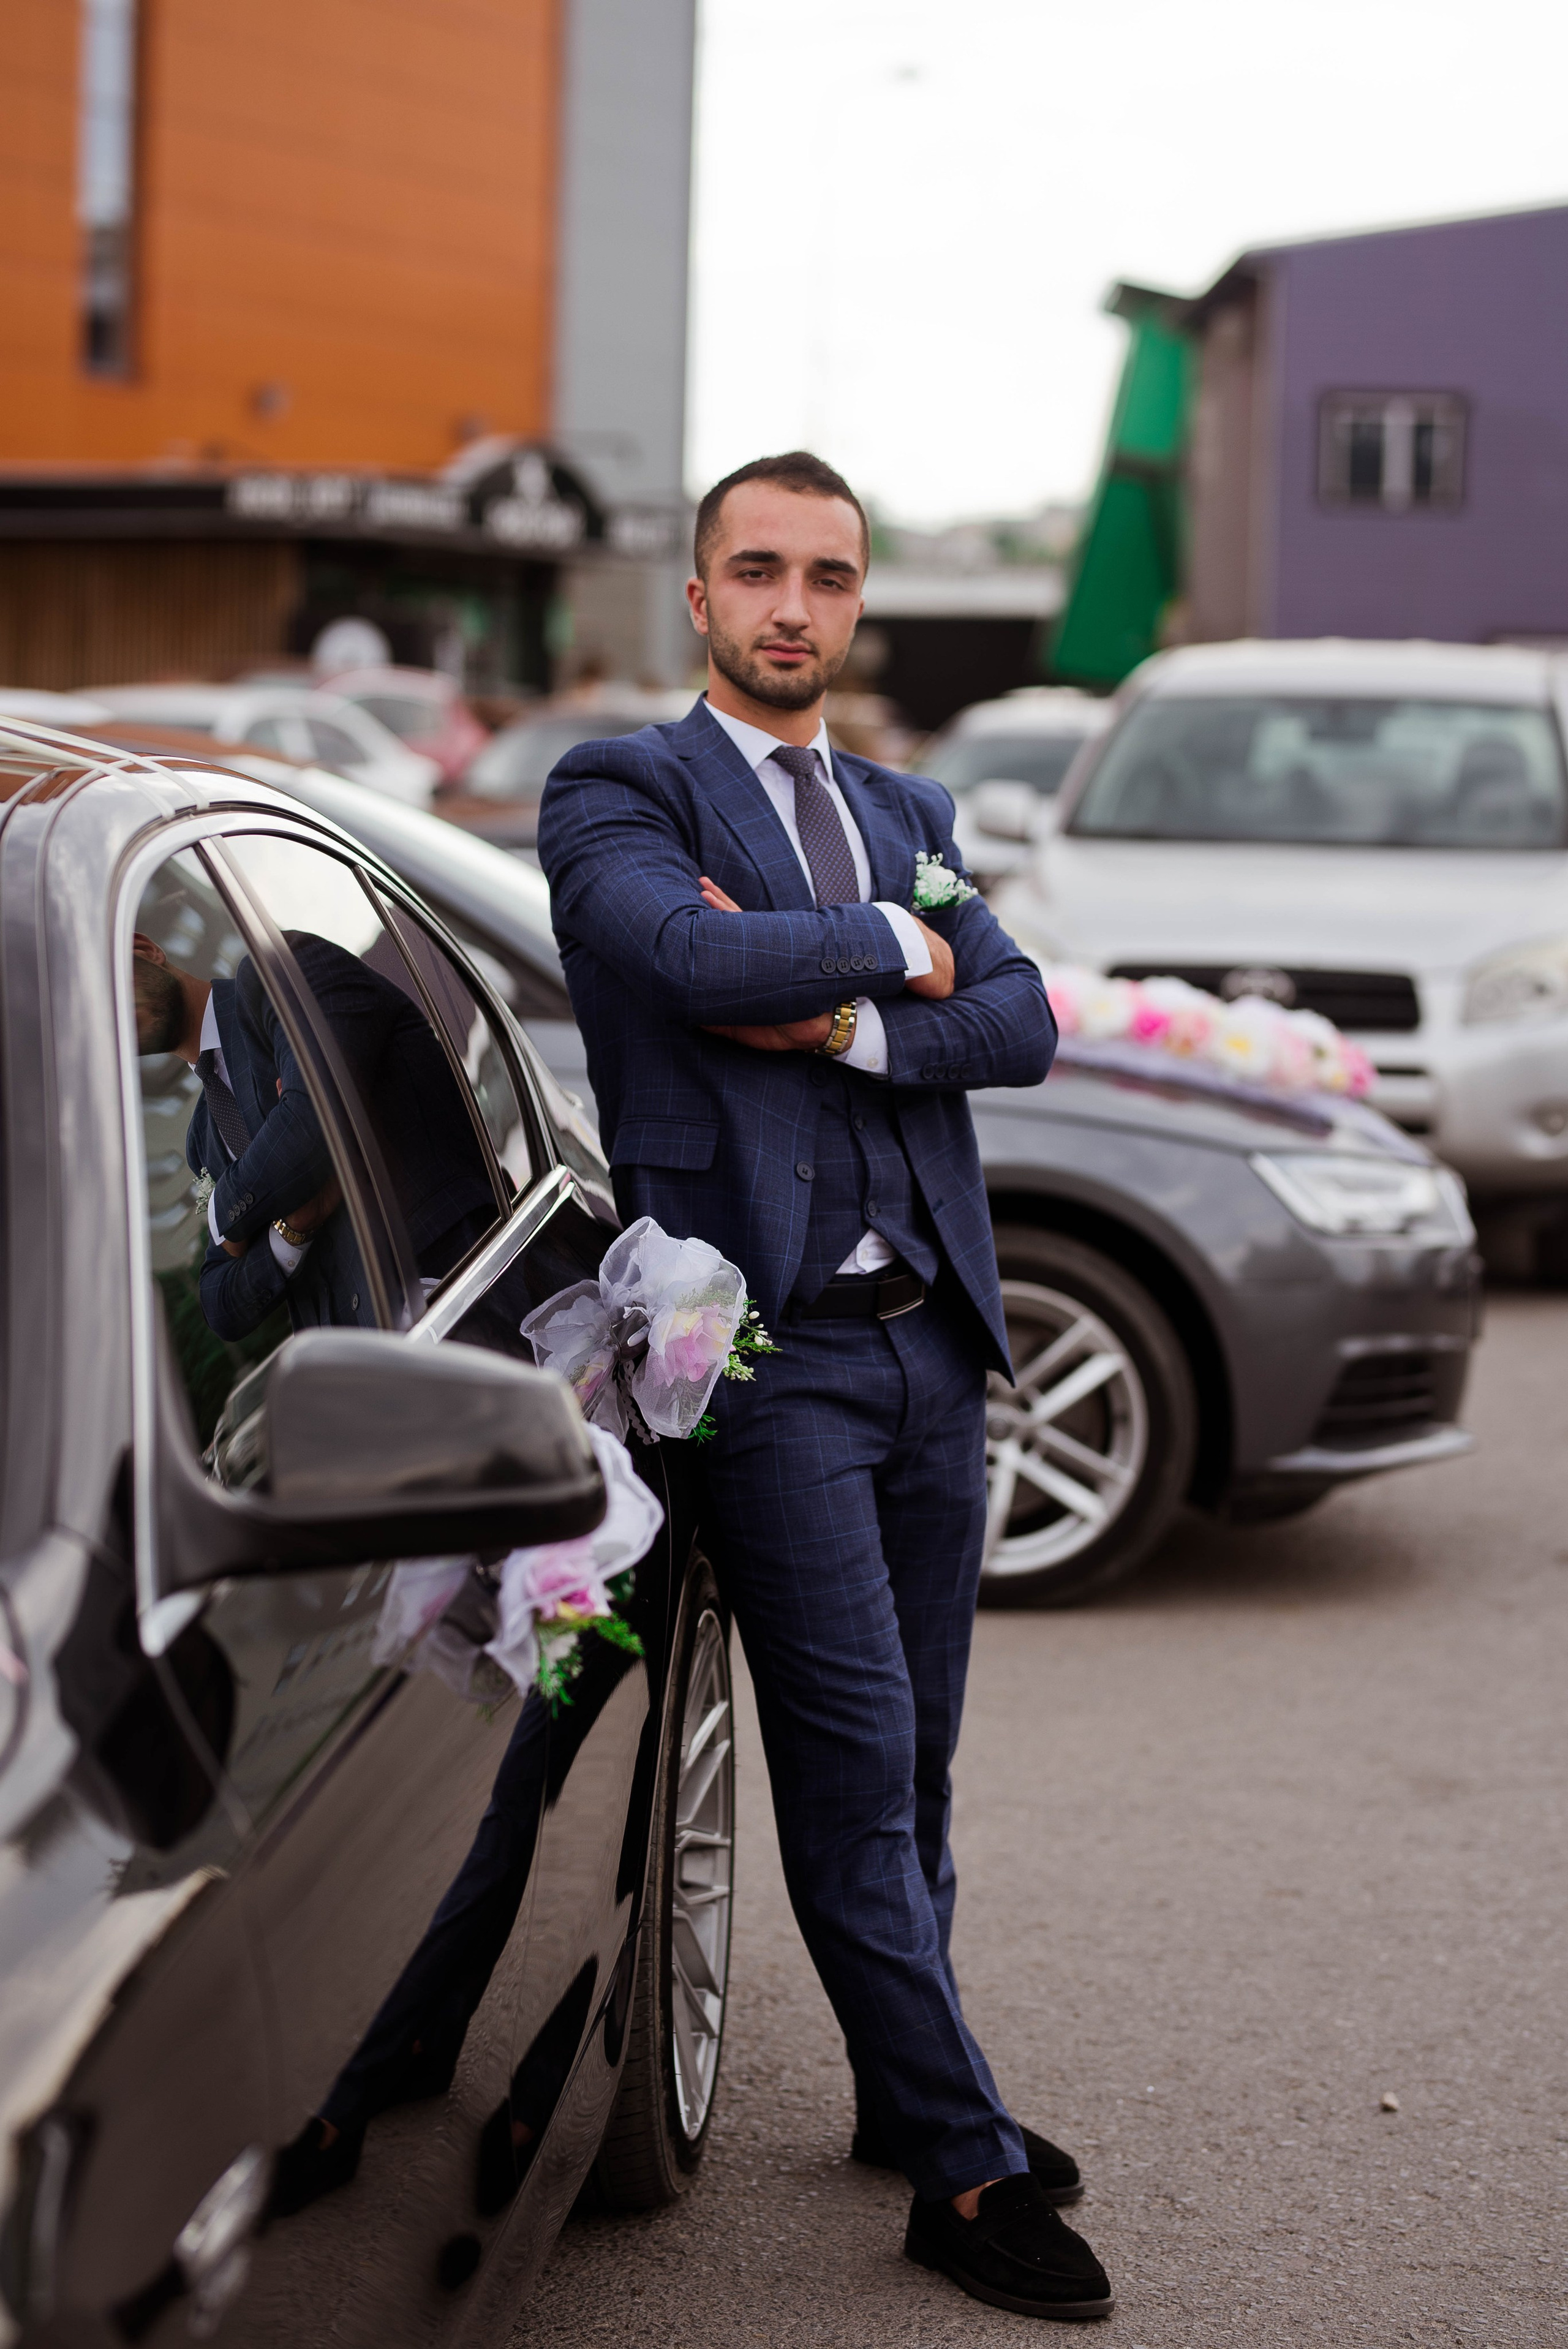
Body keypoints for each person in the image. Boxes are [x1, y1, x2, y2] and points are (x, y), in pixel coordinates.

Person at [537, 451, 1112, 2320]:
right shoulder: (619, 783)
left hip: (931, 1344)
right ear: (698, 598)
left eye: (830, 578)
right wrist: (900, 946)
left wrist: (855, 1007)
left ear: (859, 605)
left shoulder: (906, 799)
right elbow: (683, 957)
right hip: (764, 1357)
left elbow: (1017, 1018)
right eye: (758, 572)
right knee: (853, 1773)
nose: (795, 607)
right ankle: (959, 2173)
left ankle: (897, 2089)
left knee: (921, 1763)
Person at [132, 929, 494, 1340]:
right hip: (362, 1366)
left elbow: (313, 1124)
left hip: (459, 1296)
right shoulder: (201, 1143)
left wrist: (223, 1212)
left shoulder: (278, 973)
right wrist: (293, 1229)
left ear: (146, 950)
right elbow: (220, 1304)